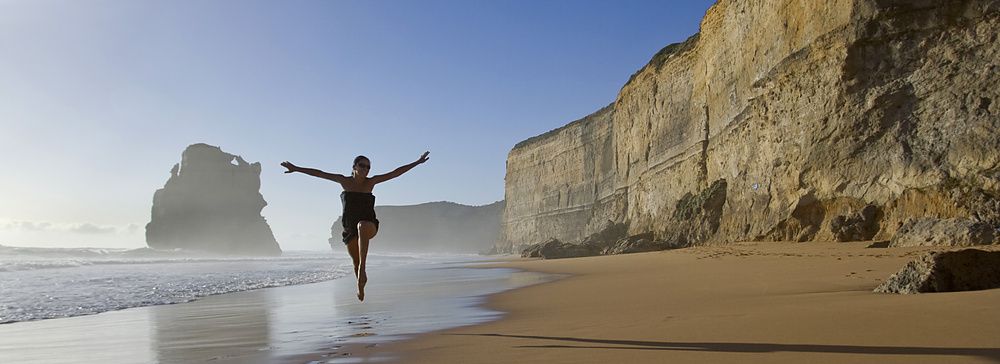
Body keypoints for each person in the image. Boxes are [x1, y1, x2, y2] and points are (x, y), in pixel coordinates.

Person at [281, 152, 429, 301]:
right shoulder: (344, 181)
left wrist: (417, 162)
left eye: (368, 167)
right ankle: (360, 286)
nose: (365, 169)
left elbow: (395, 173)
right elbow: (319, 174)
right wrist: (296, 168)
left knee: (362, 226)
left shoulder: (370, 183)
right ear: (354, 167)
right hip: (349, 229)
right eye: (362, 165)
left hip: (369, 224)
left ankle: (362, 270)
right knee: (355, 261)